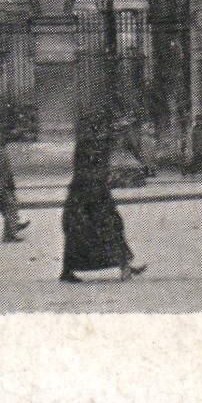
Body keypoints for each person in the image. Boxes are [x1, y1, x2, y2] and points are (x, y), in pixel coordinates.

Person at [60, 119, 145, 283]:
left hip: (93, 195)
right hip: (87, 196)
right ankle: (123, 266)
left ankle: (124, 264)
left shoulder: (95, 146)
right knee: (95, 232)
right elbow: (88, 171)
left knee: (108, 229)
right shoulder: (90, 147)